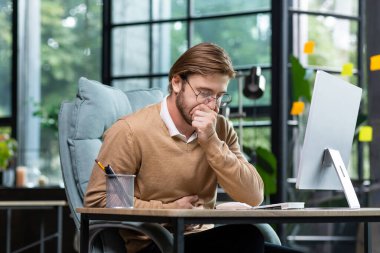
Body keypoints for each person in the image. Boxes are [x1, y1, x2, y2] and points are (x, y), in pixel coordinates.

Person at [85, 42, 302, 253]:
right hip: (157, 244)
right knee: (245, 237)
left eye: (219, 96)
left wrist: (211, 143)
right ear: (177, 82)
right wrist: (169, 211)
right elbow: (100, 201)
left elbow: (253, 196)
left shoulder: (220, 128)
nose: (213, 105)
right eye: (205, 93)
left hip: (206, 239)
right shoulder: (131, 132)